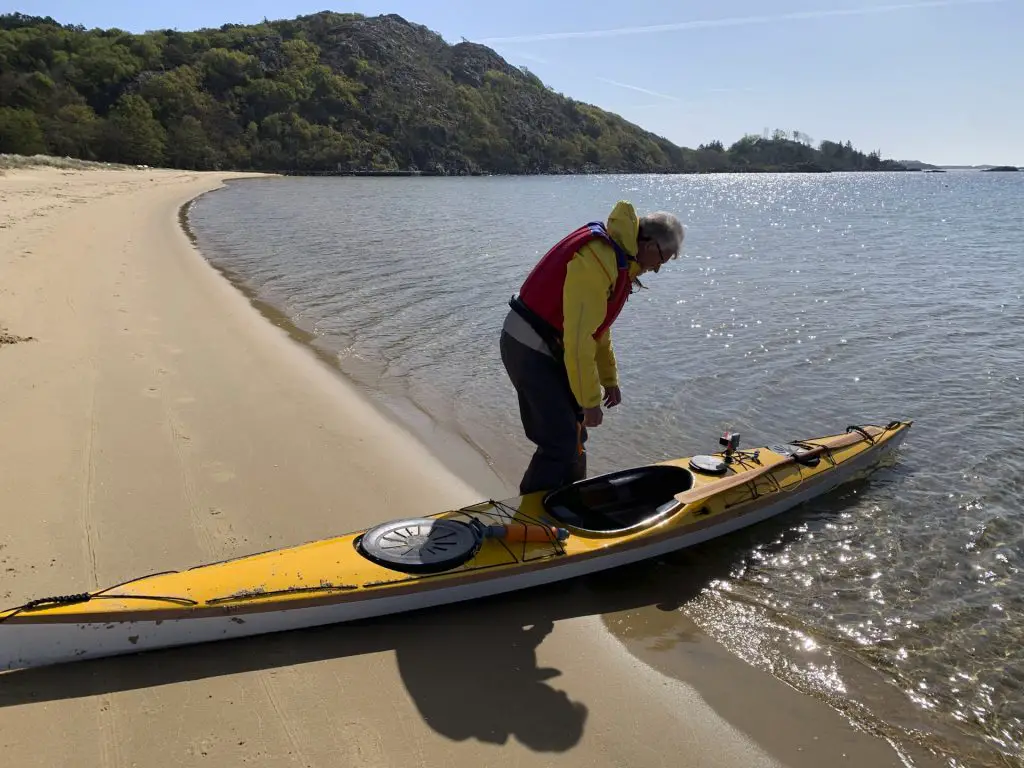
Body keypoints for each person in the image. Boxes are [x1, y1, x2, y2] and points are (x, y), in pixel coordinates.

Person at [500, 200, 685, 495]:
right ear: (647, 242)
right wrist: (589, 401)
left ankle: (571, 501)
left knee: (575, 434)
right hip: (529, 347)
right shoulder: (599, 259)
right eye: (663, 258)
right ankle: (529, 521)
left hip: (549, 347)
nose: (659, 269)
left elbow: (599, 330)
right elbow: (578, 338)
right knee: (559, 441)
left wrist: (609, 380)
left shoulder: (620, 260)